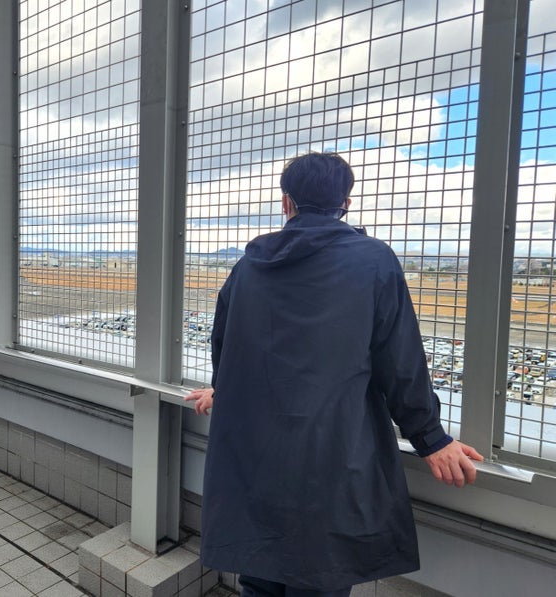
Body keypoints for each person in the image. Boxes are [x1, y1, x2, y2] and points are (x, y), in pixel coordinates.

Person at [185, 152, 483, 597]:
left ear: (286, 202)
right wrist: (431, 438)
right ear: (346, 202)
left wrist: (224, 390)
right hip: (332, 453)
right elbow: (399, 360)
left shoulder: (248, 265)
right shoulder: (374, 260)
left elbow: (226, 342)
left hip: (253, 455)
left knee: (259, 575)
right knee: (320, 577)